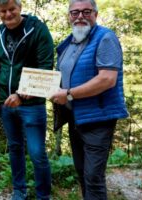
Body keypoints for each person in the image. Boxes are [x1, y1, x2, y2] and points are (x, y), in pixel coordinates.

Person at [50, 0, 128, 199]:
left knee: (93, 177)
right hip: (76, 118)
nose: (80, 16)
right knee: (83, 173)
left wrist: (68, 94)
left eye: (86, 11)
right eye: (75, 12)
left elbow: (107, 79)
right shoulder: (70, 42)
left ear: (95, 14)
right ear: (69, 16)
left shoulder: (105, 38)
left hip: (98, 119)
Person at [0, 0, 54, 199]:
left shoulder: (37, 29)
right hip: (6, 104)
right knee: (15, 148)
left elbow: (46, 66)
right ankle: (20, 191)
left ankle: (43, 195)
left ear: (20, 8)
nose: (8, 14)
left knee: (36, 152)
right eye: (3, 11)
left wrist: (22, 93)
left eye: (12, 9)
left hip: (31, 105)